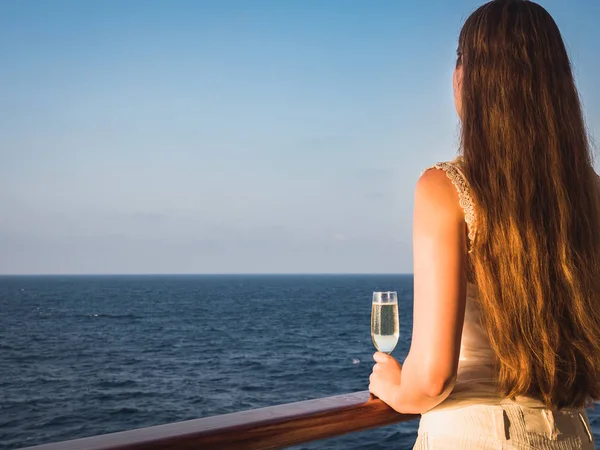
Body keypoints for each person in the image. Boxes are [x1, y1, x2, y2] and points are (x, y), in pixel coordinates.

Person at [368, 1, 599, 448]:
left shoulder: (446, 188)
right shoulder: (590, 193)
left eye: (460, 60)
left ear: (470, 79)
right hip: (570, 434)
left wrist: (392, 384)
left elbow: (432, 379)